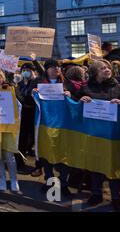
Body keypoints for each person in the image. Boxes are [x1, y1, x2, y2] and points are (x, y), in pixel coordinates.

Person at [79, 59, 120, 212]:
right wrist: (81, 101)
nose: (107, 69)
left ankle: (116, 198)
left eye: (108, 67)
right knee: (96, 166)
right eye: (102, 68)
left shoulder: (119, 88)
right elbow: (75, 109)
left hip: (113, 135)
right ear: (95, 73)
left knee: (113, 166)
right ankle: (96, 194)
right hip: (93, 134)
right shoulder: (86, 88)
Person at [34, 59, 72, 197]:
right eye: (52, 67)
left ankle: (63, 183)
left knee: (65, 154)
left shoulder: (68, 83)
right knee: (46, 153)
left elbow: (79, 99)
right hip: (45, 124)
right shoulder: (39, 83)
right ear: (46, 70)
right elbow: (27, 98)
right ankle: (49, 181)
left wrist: (70, 95)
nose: (56, 69)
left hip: (64, 125)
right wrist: (34, 93)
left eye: (58, 66)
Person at [15, 63, 38, 173]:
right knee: (21, 140)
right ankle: (19, 162)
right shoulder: (19, 84)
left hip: (33, 113)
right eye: (24, 70)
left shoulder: (36, 82)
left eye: (28, 70)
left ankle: (36, 164)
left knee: (33, 138)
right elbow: (18, 95)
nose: (26, 72)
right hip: (22, 114)